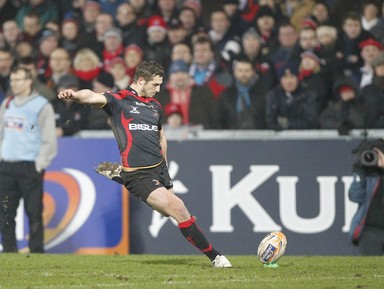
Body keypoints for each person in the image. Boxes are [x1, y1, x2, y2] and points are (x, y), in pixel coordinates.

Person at [57, 60, 232, 267]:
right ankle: (216, 257)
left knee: (168, 210)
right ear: (141, 80)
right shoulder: (119, 100)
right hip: (139, 175)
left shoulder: (155, 106)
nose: (158, 90)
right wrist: (75, 96)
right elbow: (92, 96)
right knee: (179, 208)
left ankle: (120, 175)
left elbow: (162, 139)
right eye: (155, 85)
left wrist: (165, 176)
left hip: (157, 169)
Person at [0, 67, 57, 253]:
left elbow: (49, 138)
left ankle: (37, 250)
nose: (14, 83)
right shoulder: (7, 103)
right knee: (5, 212)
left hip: (29, 165)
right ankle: (9, 251)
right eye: (12, 80)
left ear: (28, 81)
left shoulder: (41, 105)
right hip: (6, 165)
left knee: (34, 212)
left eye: (18, 80)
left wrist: (40, 164)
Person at [349, 137, 384, 256]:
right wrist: (359, 172)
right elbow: (355, 196)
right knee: (370, 270)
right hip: (370, 232)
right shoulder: (368, 175)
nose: (383, 154)